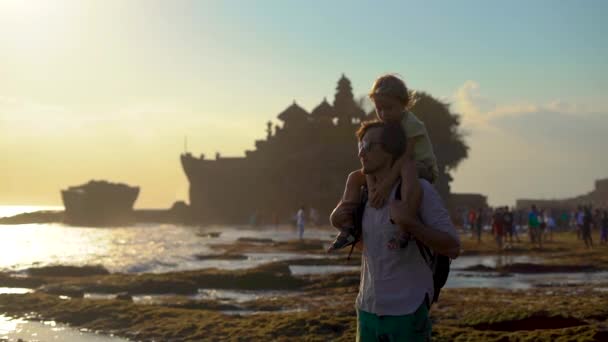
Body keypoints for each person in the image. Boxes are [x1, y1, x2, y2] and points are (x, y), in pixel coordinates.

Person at [330, 120, 460, 341]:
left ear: (391, 151)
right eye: (361, 146)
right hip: (367, 309)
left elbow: (452, 247)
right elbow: (370, 247)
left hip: (407, 312)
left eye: (371, 146)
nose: (363, 153)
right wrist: (338, 221)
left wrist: (411, 224)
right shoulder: (364, 196)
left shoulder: (418, 191)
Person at [328, 74, 438, 252]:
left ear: (404, 104)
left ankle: (405, 225)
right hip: (392, 168)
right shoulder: (380, 127)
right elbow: (370, 163)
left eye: (389, 108)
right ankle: (348, 226)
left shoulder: (411, 123)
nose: (384, 114)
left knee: (407, 168)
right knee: (354, 177)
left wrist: (385, 185)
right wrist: (372, 189)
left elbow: (405, 157)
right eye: (380, 109)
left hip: (419, 166)